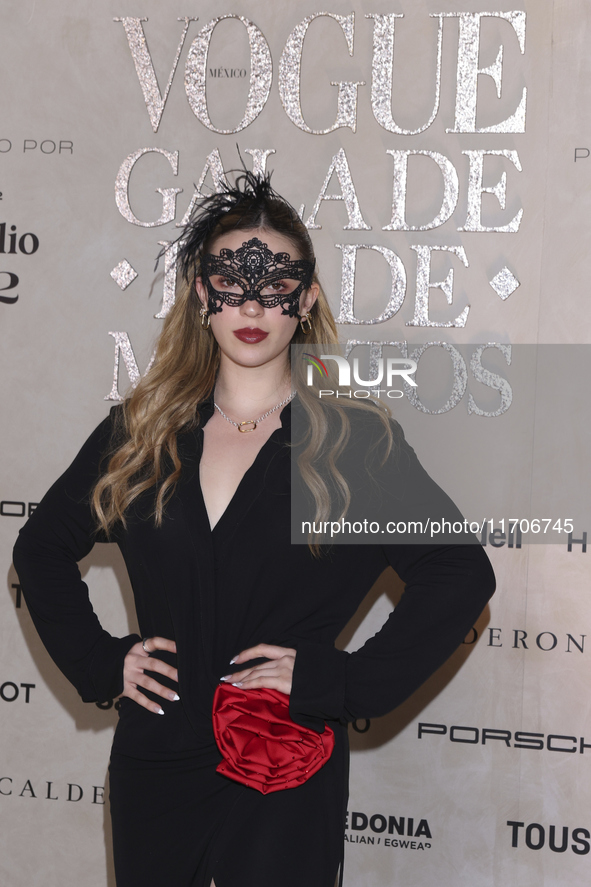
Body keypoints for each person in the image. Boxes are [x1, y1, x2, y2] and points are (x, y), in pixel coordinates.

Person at [13, 172, 495, 887]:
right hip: (157, 763)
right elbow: (41, 549)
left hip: (284, 762)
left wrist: (341, 679)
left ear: (303, 301)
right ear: (201, 294)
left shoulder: (354, 442)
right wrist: (99, 659)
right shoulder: (140, 432)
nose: (251, 304)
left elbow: (460, 574)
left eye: (274, 285)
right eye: (231, 279)